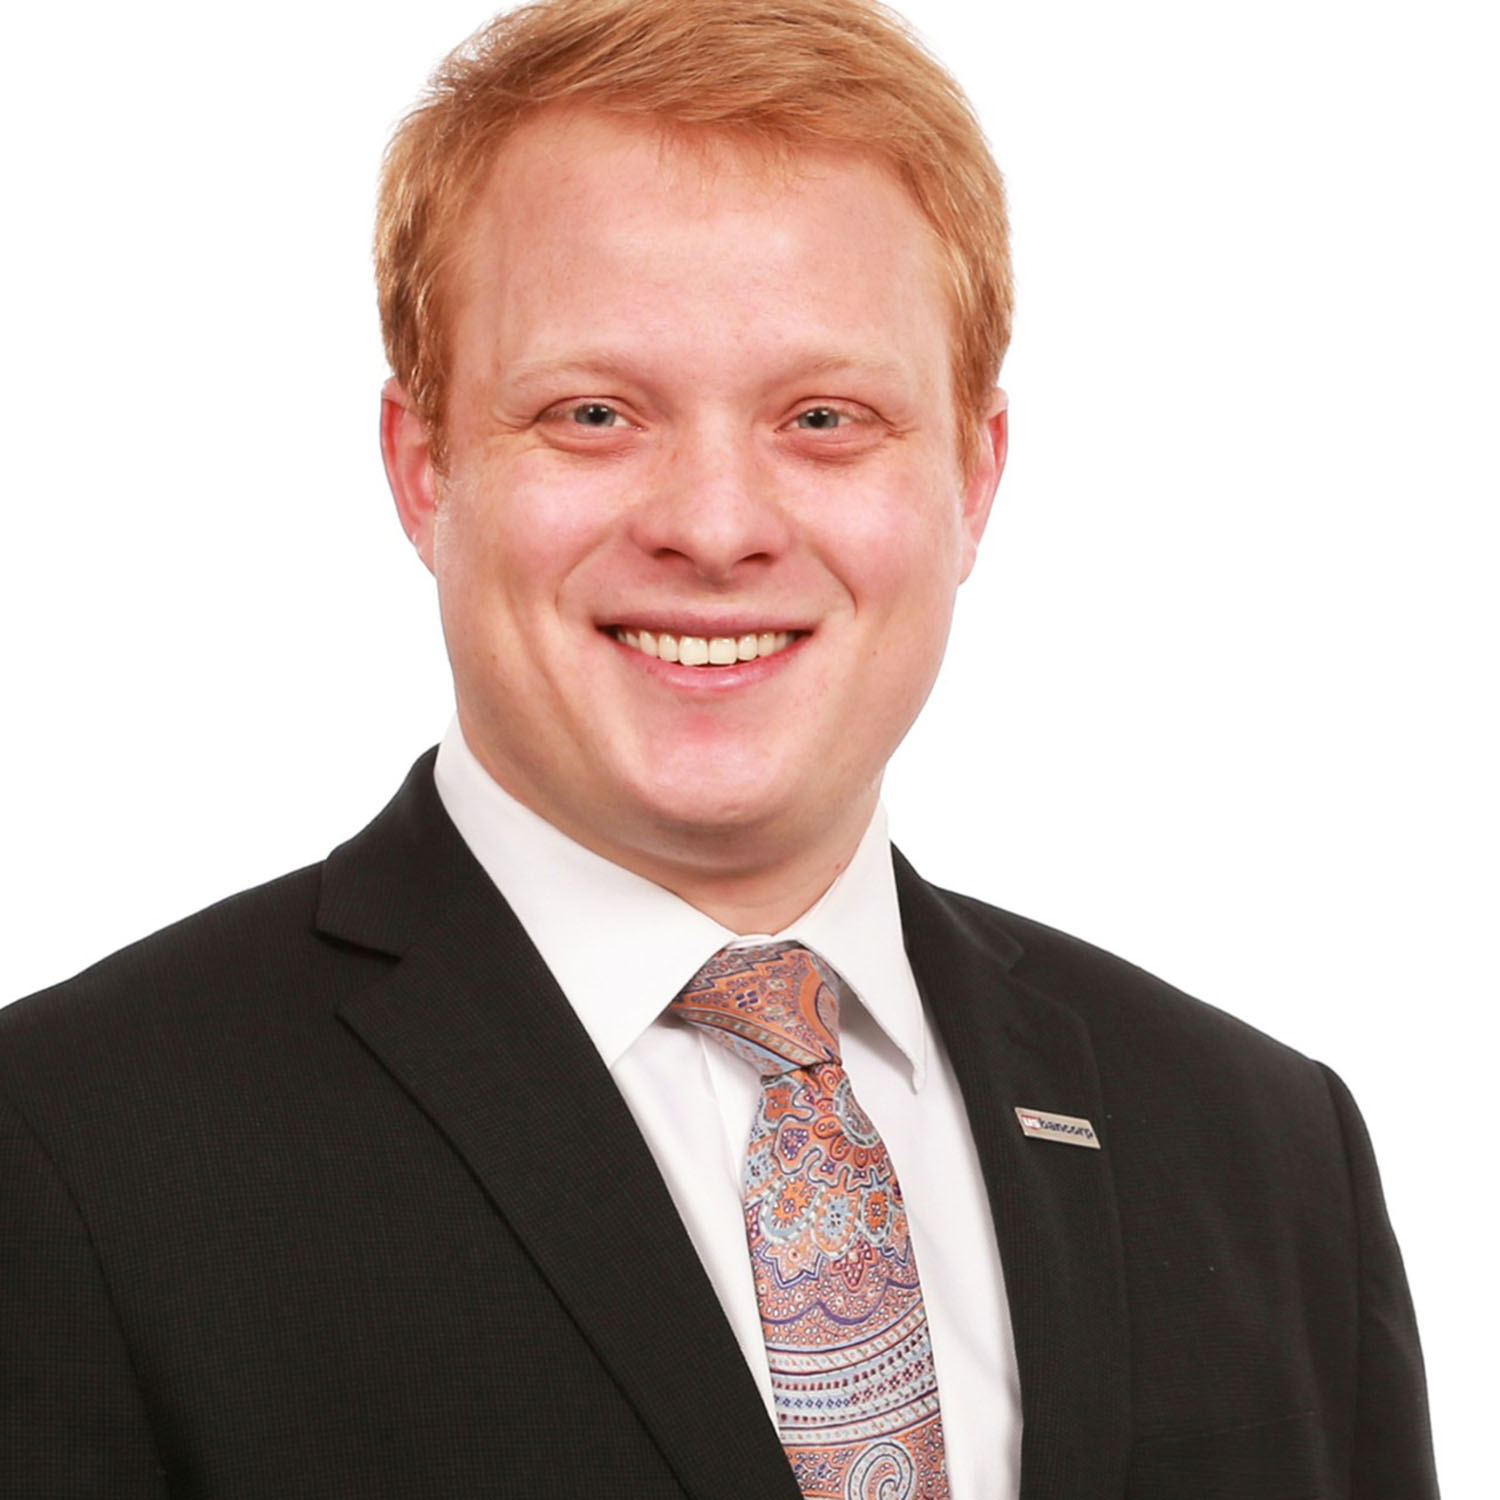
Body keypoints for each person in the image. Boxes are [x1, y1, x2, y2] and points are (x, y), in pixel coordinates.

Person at [0, 0, 1439, 1495]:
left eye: (823, 417)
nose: (715, 525)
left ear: (973, 476)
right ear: (425, 469)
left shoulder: (1264, 1154)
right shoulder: (66, 1155)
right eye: (595, 413)